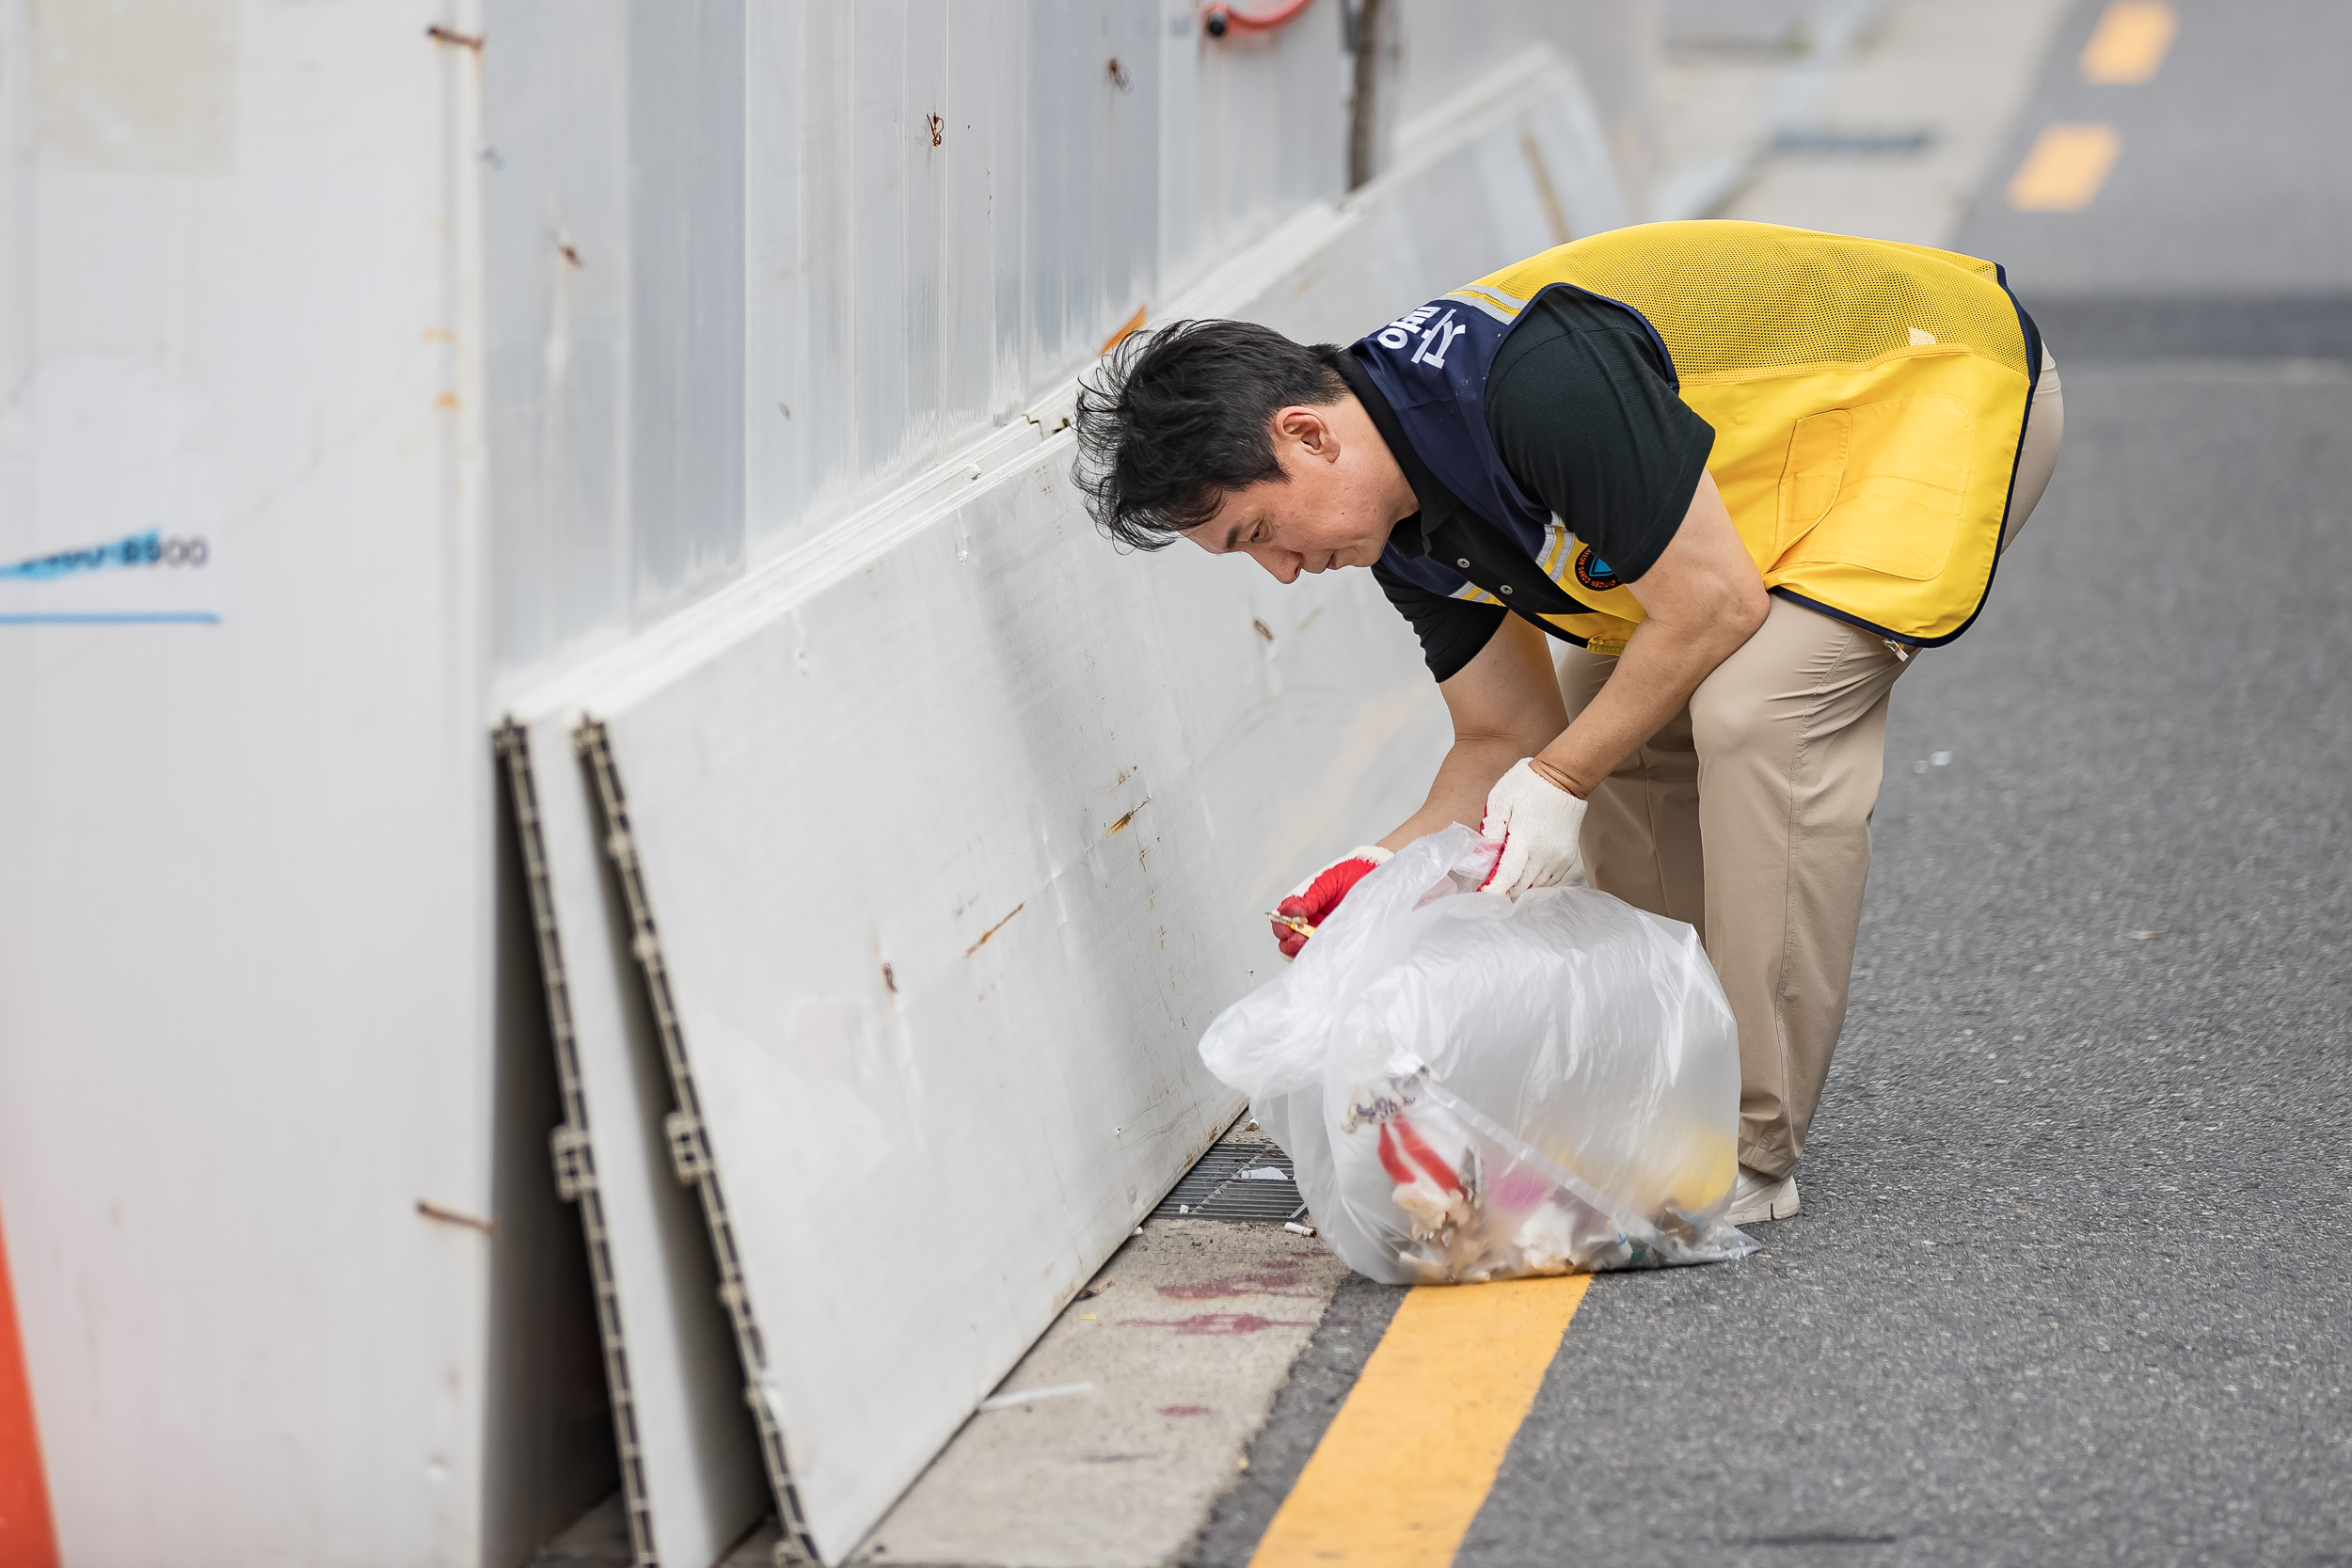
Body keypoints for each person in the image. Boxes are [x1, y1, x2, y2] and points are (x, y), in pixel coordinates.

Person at [1073, 220, 2063, 1227]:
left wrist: (1558, 781)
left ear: (1308, 434)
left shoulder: (1529, 384)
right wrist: (1382, 866)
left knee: (1754, 710)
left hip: (1929, 391)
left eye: (1258, 533)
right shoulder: (1403, 525)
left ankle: (1745, 1146)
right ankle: (1677, 1087)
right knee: (1609, 717)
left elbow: (1714, 602)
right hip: (1771, 482)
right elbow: (1505, 740)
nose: (1279, 571)